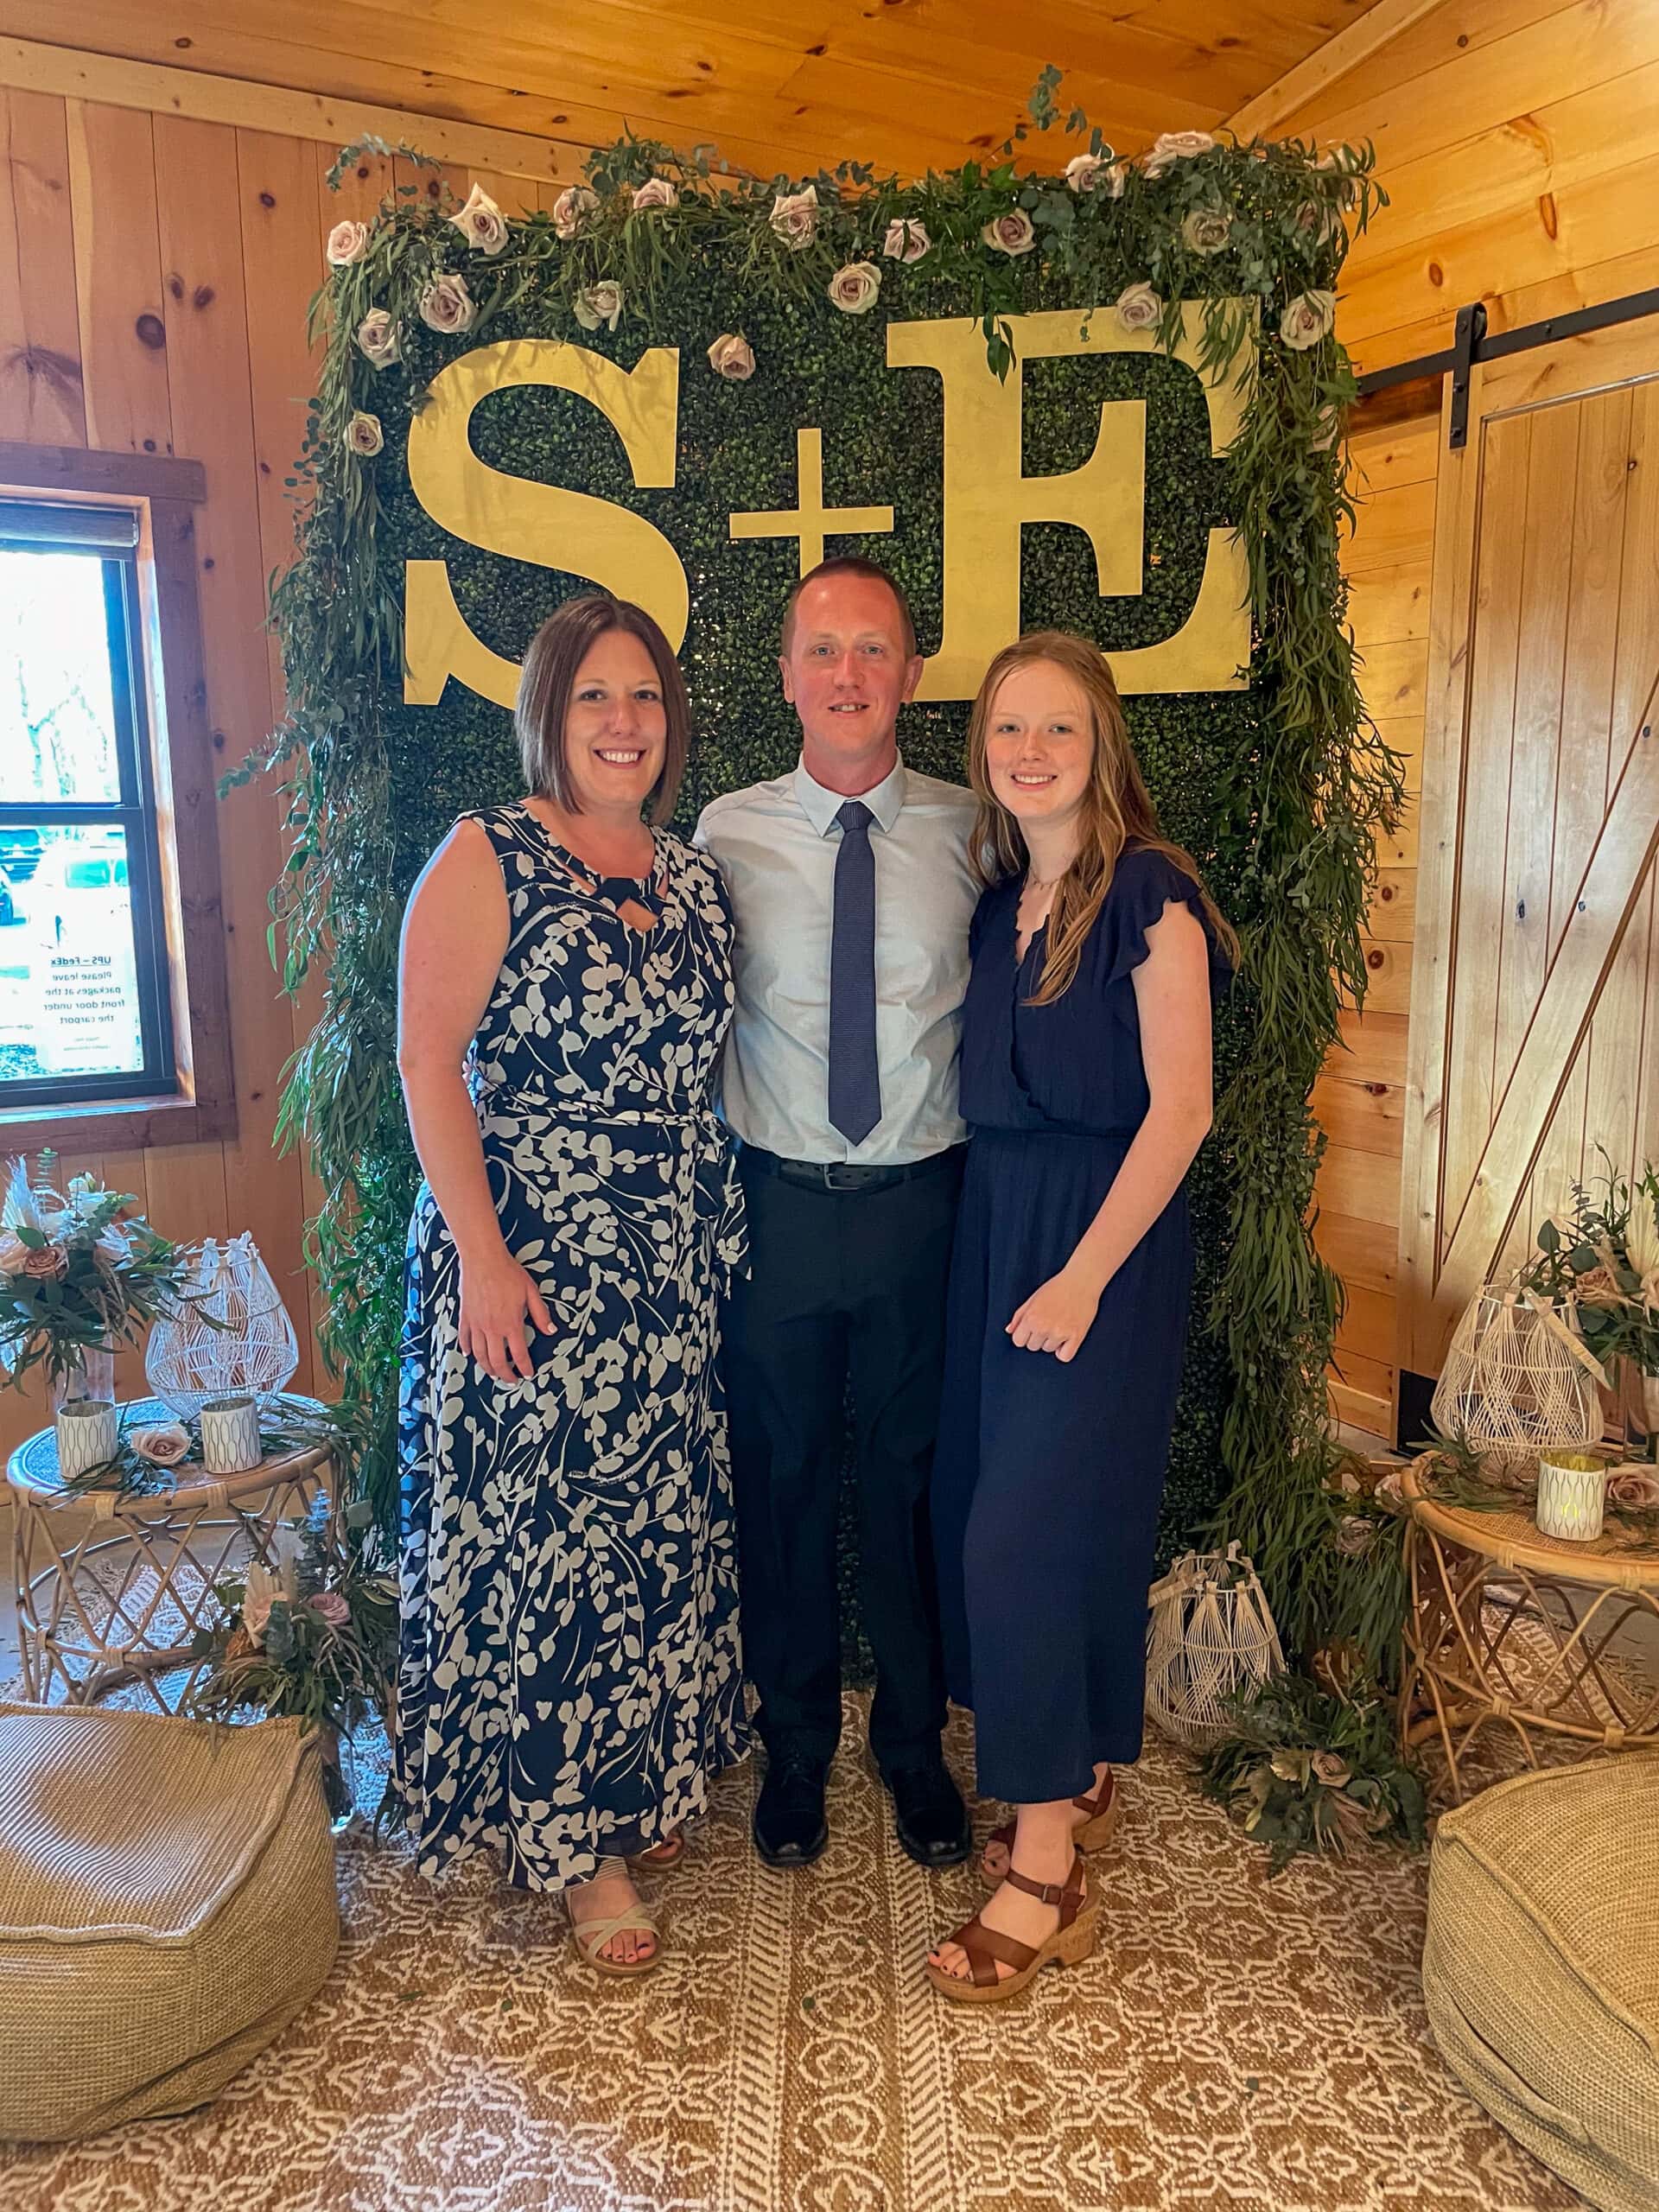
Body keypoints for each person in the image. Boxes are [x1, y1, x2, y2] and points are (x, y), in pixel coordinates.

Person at [395, 593, 747, 1976]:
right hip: (532, 1258)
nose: (623, 720)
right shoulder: (486, 852)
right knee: (558, 1542)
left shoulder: (693, 874)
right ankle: (578, 1846)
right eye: (595, 694)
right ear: (549, 710)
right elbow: (428, 1062)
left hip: (668, 1262)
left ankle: (640, 1781)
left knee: (652, 1531)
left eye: (644, 695)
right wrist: (483, 1258)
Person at [924, 631, 1236, 2003]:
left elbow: (1184, 1109)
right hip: (995, 1234)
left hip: (1098, 1245)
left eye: (1059, 727)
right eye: (1009, 729)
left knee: (1024, 1542)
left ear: (1103, 742)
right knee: (1013, 1515)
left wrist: (1085, 1276)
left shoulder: (1150, 891)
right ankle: (1087, 1763)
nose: (1032, 752)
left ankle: (1044, 1871)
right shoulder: (1000, 907)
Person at [696, 556, 980, 1872]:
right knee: (785, 1481)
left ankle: (914, 1744)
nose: (848, 674)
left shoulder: (978, 831)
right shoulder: (724, 832)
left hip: (925, 1207)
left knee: (913, 1487)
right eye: (823, 650)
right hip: (778, 1211)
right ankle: (798, 1743)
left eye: (873, 649)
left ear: (912, 674)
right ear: (786, 676)